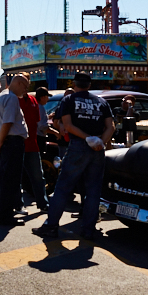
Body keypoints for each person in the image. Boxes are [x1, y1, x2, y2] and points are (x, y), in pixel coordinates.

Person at [32, 71, 115, 240]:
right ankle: (88, 229)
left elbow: (67, 125)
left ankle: (51, 226)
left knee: (63, 187)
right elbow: (111, 127)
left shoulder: (69, 100)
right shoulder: (101, 102)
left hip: (78, 146)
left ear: (74, 84)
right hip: (97, 150)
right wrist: (100, 142)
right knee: (93, 191)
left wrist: (86, 138)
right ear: (89, 85)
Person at [0, 76, 28, 222]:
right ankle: (5, 215)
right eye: (25, 87)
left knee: (4, 180)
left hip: (5, 141)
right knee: (11, 180)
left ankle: (0, 212)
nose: (26, 91)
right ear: (18, 83)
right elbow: (8, 122)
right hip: (12, 142)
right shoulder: (12, 98)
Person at [17, 76, 49, 212]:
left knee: (38, 176)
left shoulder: (33, 101)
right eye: (24, 84)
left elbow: (38, 122)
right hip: (16, 143)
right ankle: (18, 205)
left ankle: (43, 203)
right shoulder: (12, 100)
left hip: (32, 144)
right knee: (16, 176)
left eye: (27, 85)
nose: (26, 87)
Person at [35, 86, 50, 154]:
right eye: (47, 97)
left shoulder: (35, 106)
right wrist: (56, 133)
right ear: (42, 97)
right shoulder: (40, 108)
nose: (48, 99)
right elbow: (42, 126)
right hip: (39, 138)